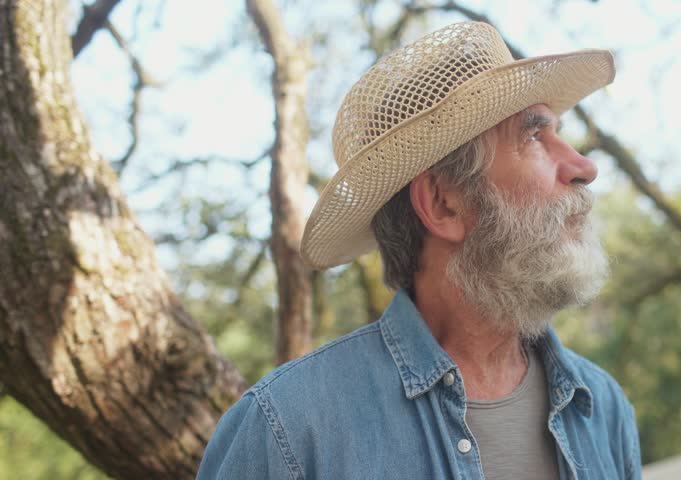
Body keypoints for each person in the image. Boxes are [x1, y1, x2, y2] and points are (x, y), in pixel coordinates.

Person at [197, 20, 641, 480]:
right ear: (443, 203)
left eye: (559, 133)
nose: (583, 166)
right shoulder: (287, 428)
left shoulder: (602, 408)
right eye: (533, 137)